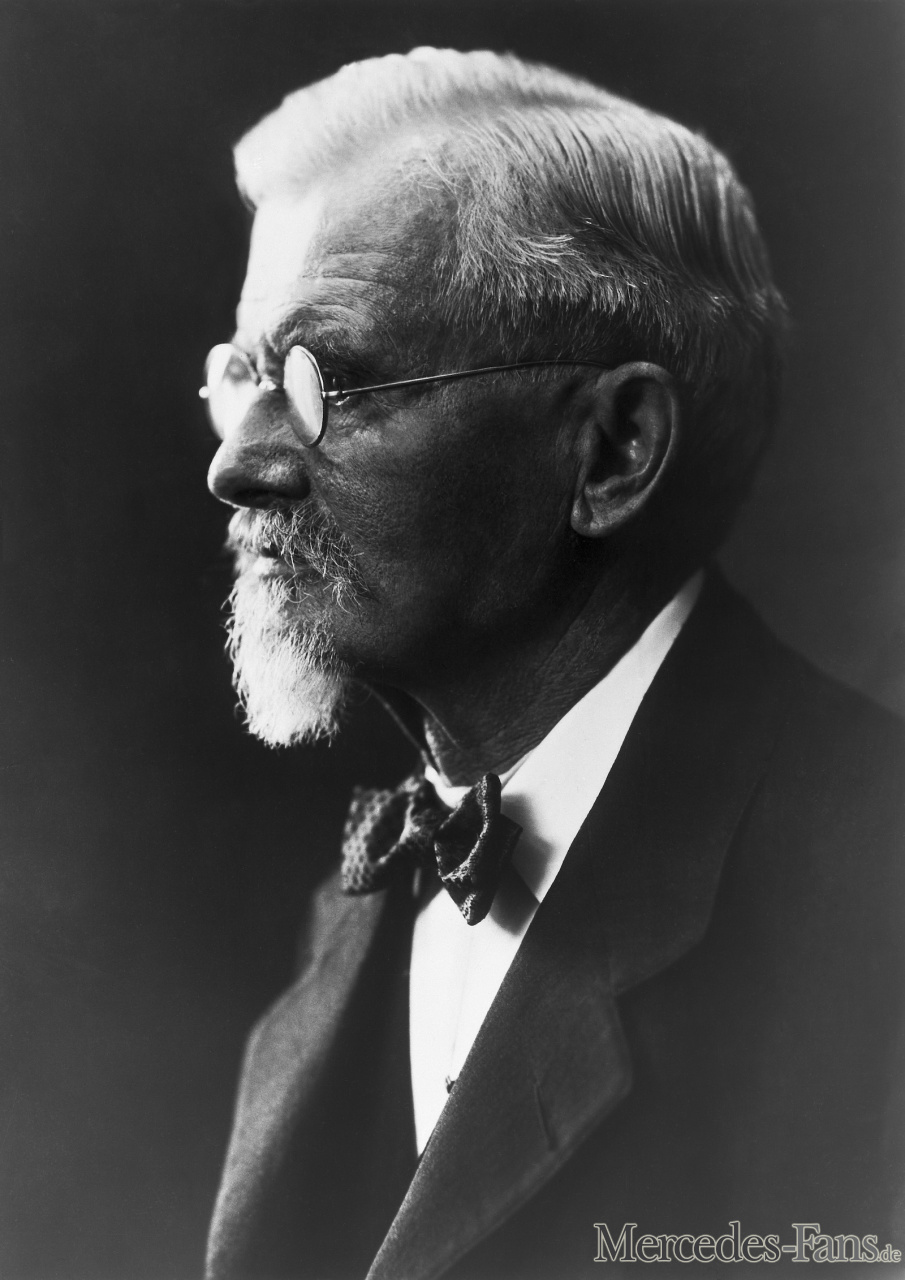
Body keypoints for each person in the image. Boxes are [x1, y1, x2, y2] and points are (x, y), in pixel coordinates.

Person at [201, 48, 904, 1279]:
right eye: (243, 376)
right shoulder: (349, 921)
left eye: (326, 381)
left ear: (613, 449)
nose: (237, 463)